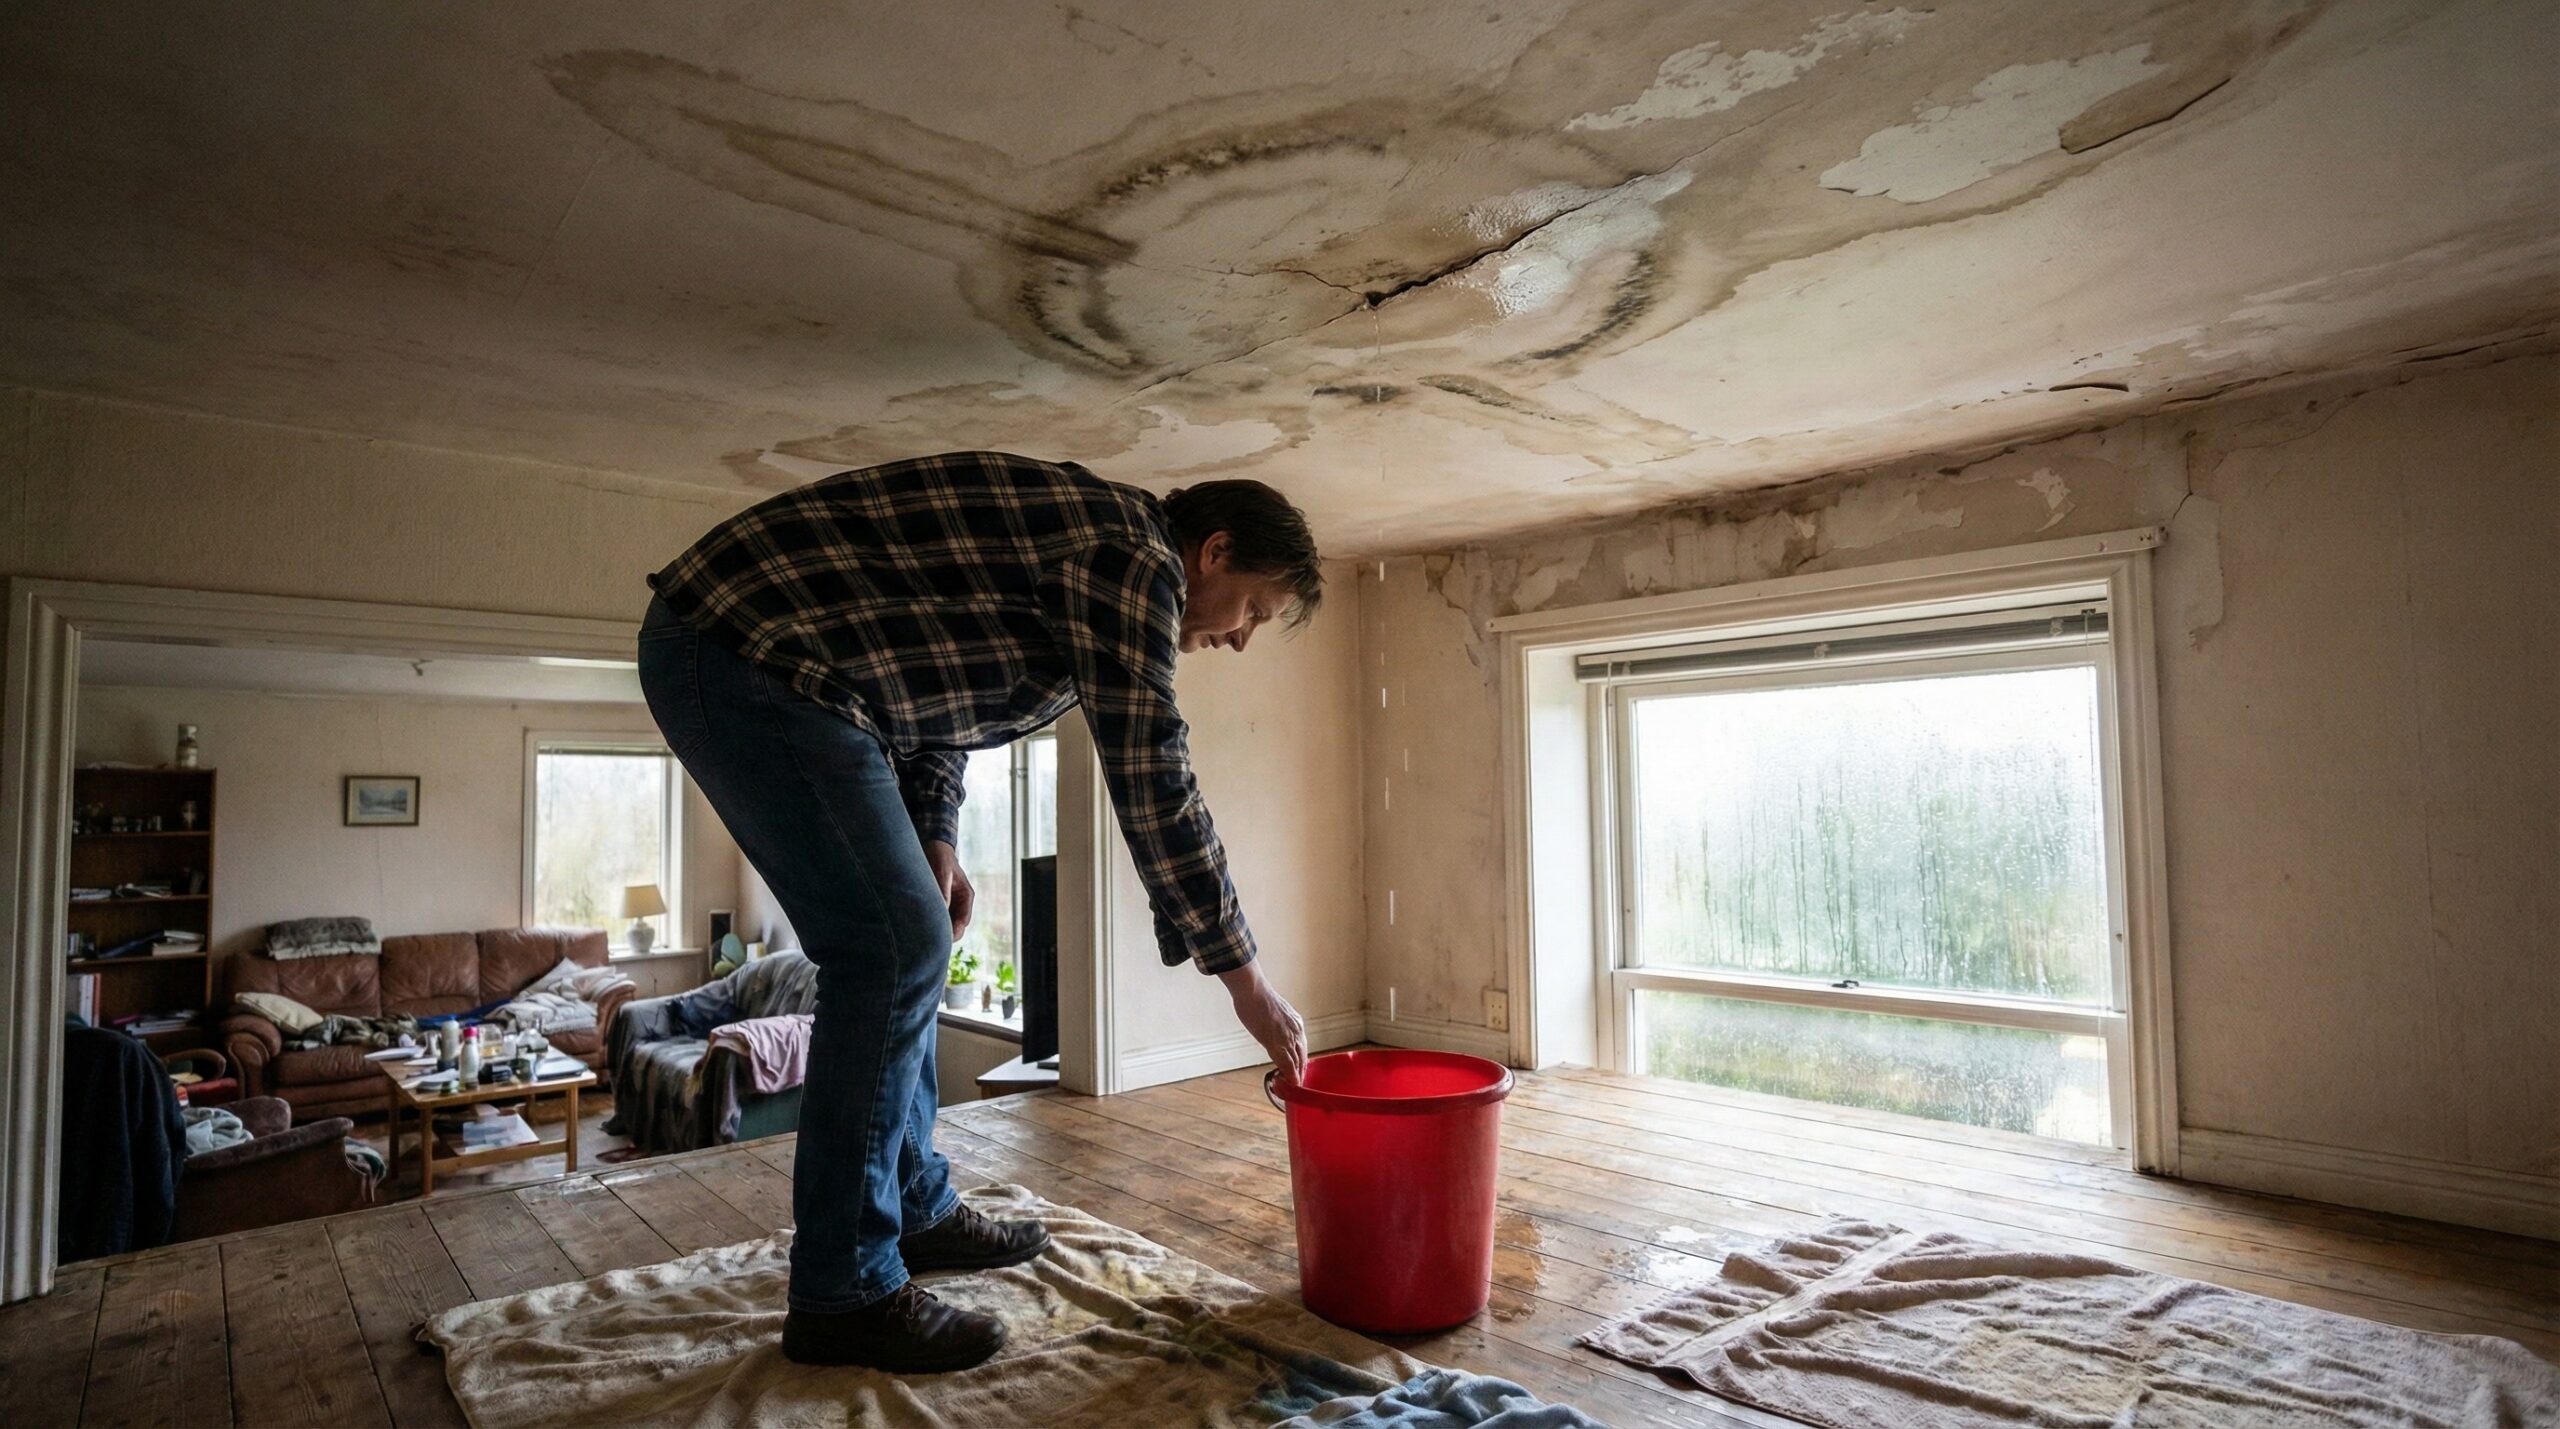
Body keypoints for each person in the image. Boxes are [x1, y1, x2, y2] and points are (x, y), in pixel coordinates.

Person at [637, 451, 1320, 1372]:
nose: (1240, 638)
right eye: (1253, 610)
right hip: (740, 647)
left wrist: (937, 838)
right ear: (1215, 549)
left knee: (909, 933)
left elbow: (931, 691)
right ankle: (843, 1290)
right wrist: (1246, 978)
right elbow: (1153, 771)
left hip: (799, 671)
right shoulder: (1133, 559)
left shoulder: (1099, 553)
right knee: (891, 946)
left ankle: (913, 1208)